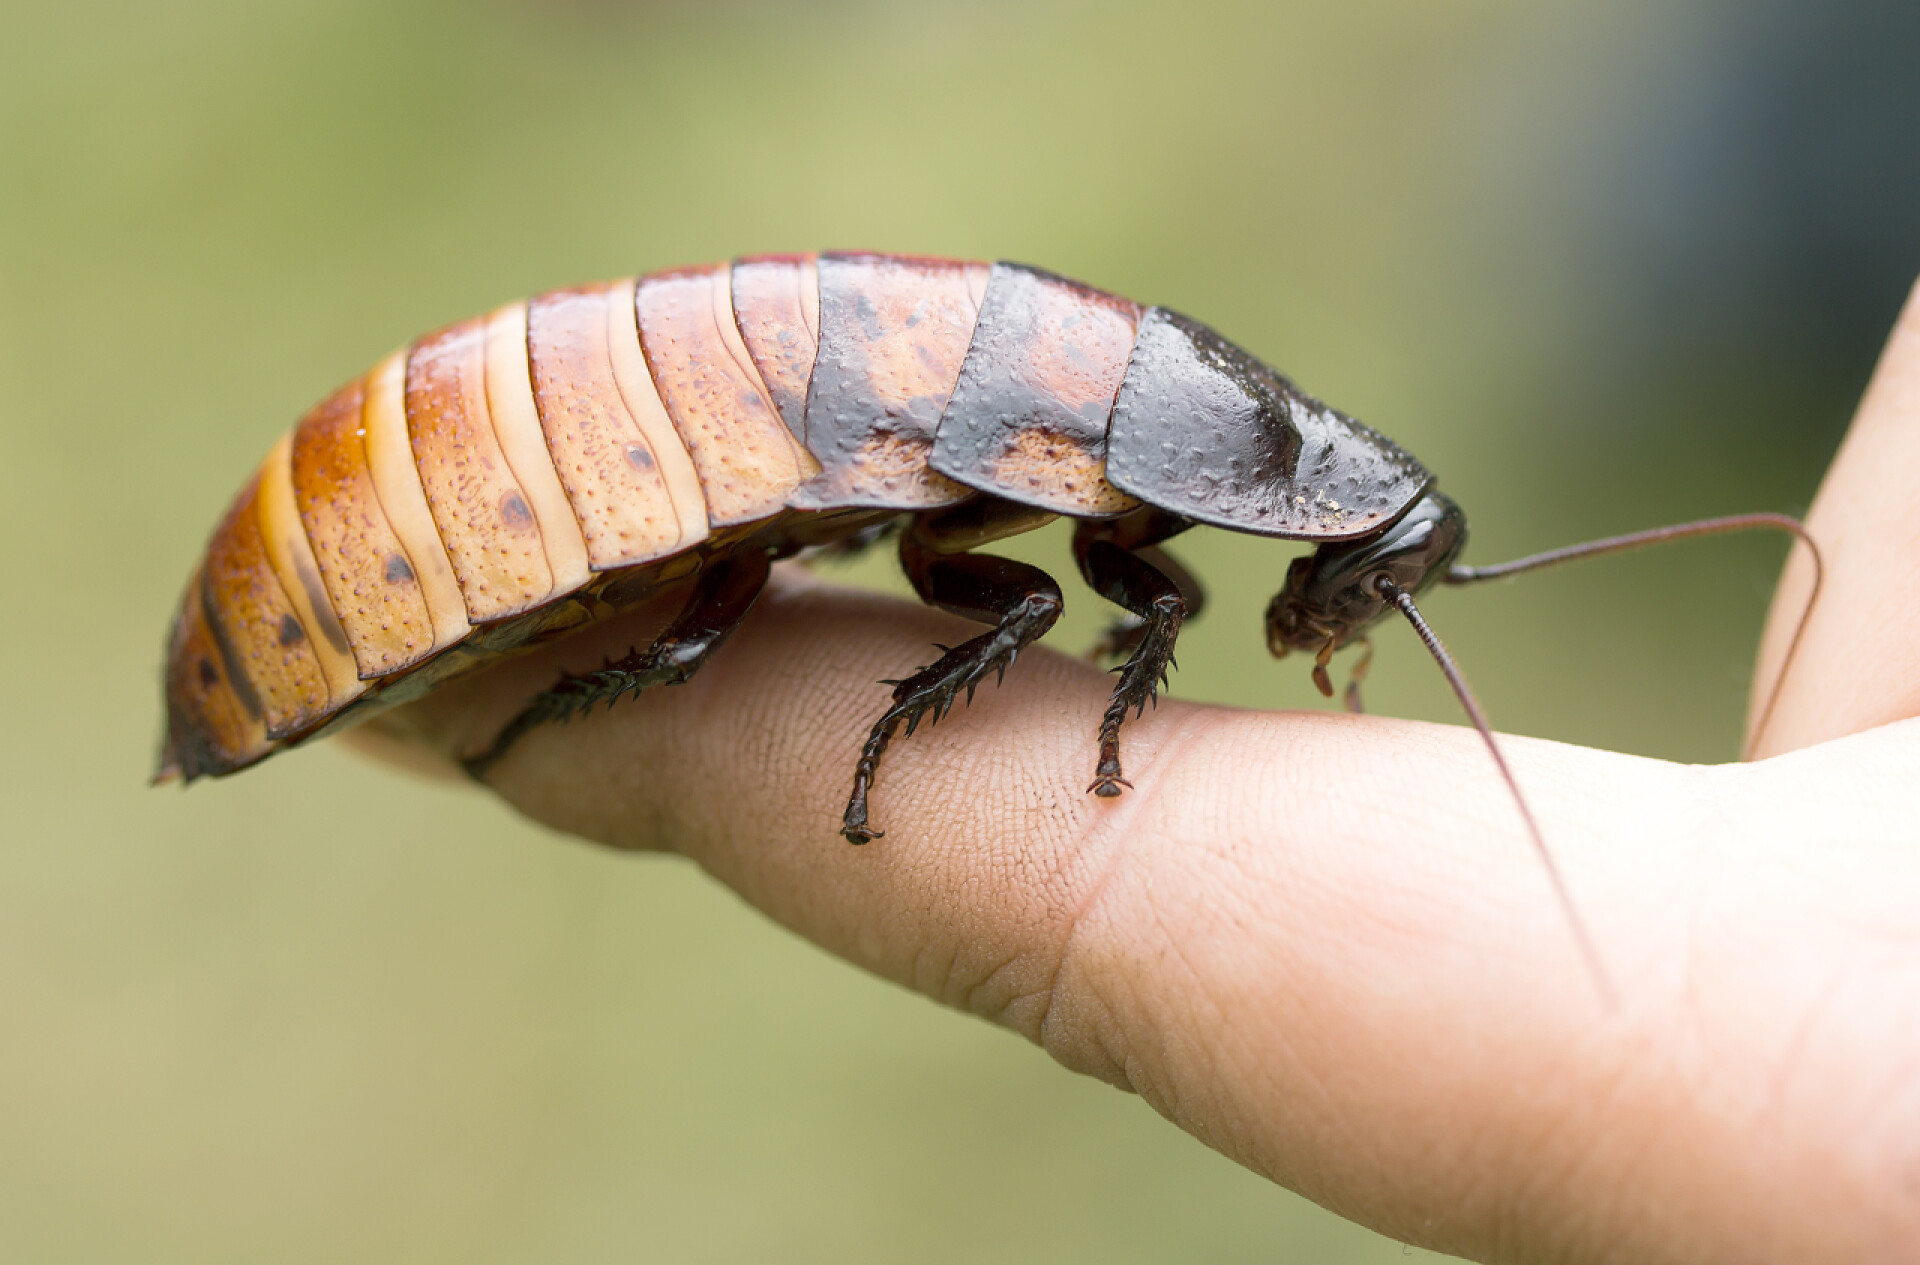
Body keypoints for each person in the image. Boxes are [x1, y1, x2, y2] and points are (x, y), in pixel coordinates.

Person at [351, 281, 1920, 1263]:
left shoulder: (1130, 461)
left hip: (650, 380)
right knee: (782, 636)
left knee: (993, 606)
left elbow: (1133, 576)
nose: (1339, 608)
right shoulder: (1105, 466)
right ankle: (526, 718)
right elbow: (1119, 584)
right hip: (593, 412)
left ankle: (520, 719)